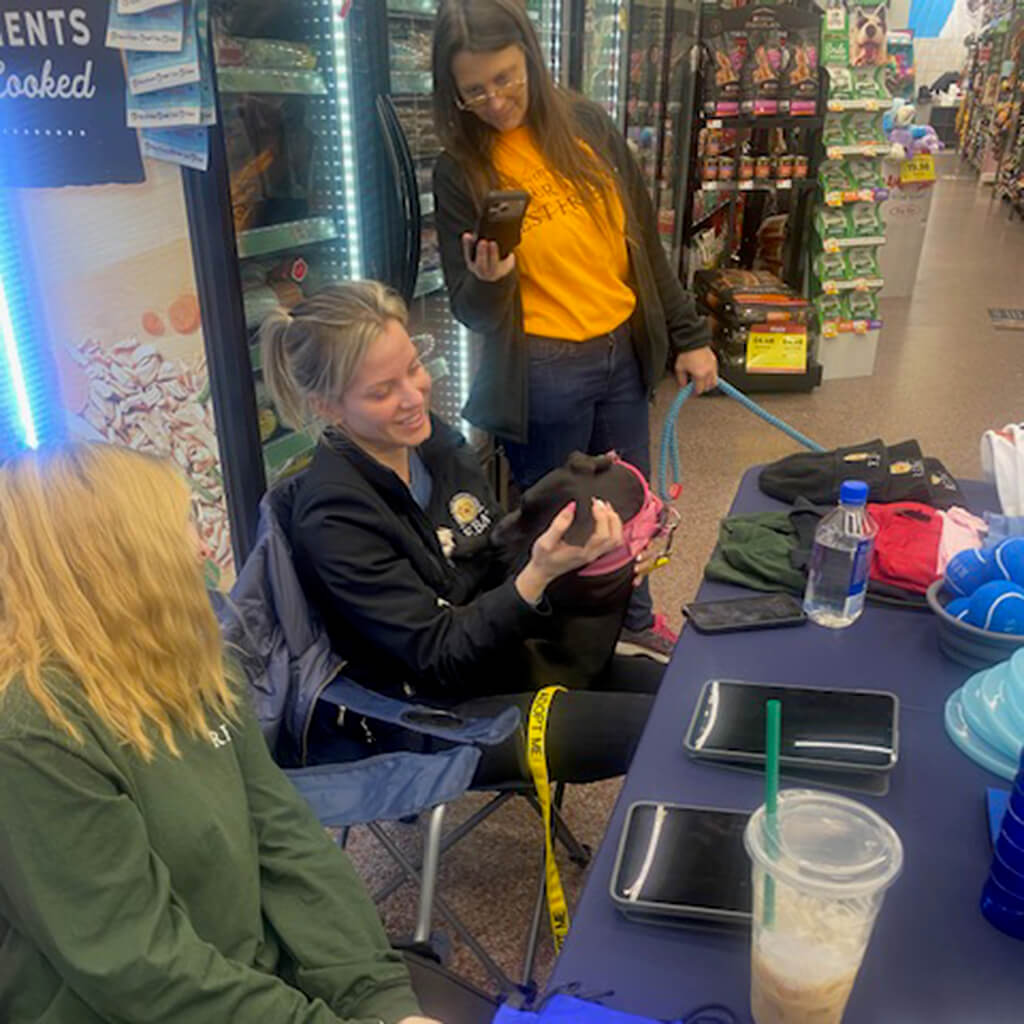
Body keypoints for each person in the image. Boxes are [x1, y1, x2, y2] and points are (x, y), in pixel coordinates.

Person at [0, 442, 480, 1024]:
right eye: (181, 527)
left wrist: (376, 995)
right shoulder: (35, 731)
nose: (203, 547)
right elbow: (136, 966)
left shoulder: (191, 663)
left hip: (249, 983)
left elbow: (285, 838)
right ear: (113, 559)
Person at [261, 281, 660, 787]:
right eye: (382, 391)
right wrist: (538, 573)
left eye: (413, 368)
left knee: (687, 692)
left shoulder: (434, 444)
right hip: (425, 713)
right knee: (669, 731)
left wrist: (588, 565)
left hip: (499, 657)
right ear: (327, 408)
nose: (413, 397)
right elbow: (437, 655)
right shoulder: (333, 519)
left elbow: (492, 554)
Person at [431, 0, 718, 661]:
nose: (495, 100)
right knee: (561, 525)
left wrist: (689, 334)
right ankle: (565, 645)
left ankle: (636, 618)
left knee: (633, 505)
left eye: (506, 78)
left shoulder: (584, 123)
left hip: (623, 353)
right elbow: (468, 310)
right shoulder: (460, 171)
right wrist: (492, 275)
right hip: (543, 373)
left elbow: (642, 238)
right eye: (474, 91)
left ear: (529, 56)